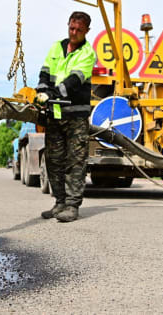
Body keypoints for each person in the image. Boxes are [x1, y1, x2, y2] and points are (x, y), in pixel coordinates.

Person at [35, 11, 96, 222]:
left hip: (76, 117)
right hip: (54, 114)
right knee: (54, 161)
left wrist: (50, 94)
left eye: (79, 30)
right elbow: (45, 72)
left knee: (75, 162)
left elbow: (73, 81)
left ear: (87, 31)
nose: (74, 32)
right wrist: (41, 90)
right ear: (68, 25)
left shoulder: (88, 53)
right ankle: (59, 202)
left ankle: (72, 206)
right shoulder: (56, 47)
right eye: (72, 28)